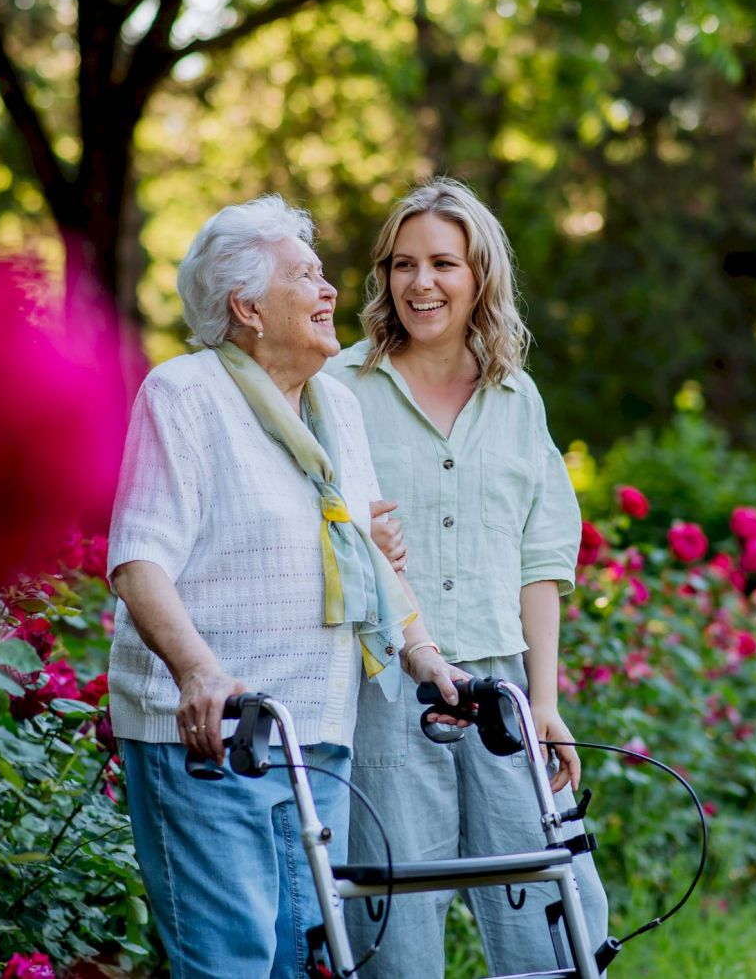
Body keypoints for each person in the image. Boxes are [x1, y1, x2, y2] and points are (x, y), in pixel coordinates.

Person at [106, 194, 463, 978]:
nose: (331, 290)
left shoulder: (334, 404)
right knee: (232, 962)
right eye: (306, 275)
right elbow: (139, 559)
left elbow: (367, 555)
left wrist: (425, 656)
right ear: (247, 307)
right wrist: (198, 670)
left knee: (309, 962)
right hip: (212, 738)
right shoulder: (187, 395)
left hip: (316, 736)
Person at [327, 178, 609, 977]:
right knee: (394, 918)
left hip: (500, 688)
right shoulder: (339, 390)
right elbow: (313, 524)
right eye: (403, 264)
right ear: (383, 276)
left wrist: (544, 701)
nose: (422, 284)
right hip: (385, 687)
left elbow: (542, 562)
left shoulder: (517, 400)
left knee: (552, 913)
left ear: (480, 275)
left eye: (444, 263)